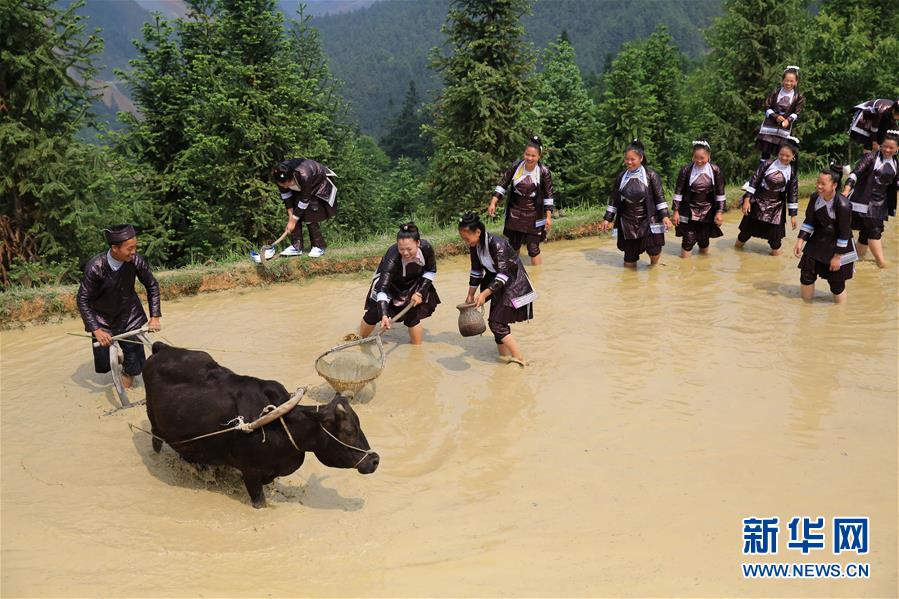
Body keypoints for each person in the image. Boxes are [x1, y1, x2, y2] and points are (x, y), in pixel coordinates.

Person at [76, 224, 161, 389]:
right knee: (104, 366)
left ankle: (128, 375)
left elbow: (152, 286)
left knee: (135, 365)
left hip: (130, 315)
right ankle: (121, 359)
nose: (134, 251)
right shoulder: (95, 267)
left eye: (135, 247)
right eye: (130, 248)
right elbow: (82, 299)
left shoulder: (136, 261)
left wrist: (155, 317)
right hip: (102, 319)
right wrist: (97, 329)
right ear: (115, 248)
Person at [459, 212, 536, 367]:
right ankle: (503, 357)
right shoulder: (475, 246)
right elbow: (476, 271)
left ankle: (519, 358)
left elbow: (504, 273)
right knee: (497, 322)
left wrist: (484, 293)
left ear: (478, 232)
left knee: (496, 323)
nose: (465, 242)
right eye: (463, 239)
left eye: (466, 238)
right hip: (497, 284)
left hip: (513, 283)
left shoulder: (497, 244)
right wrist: (470, 295)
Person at [358, 223, 440, 345]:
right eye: (401, 249)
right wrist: (384, 314)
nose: (405, 253)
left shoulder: (426, 249)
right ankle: (360, 341)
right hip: (388, 285)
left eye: (409, 249)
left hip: (413, 283)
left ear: (418, 243)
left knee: (413, 317)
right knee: (373, 314)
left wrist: (420, 292)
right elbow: (382, 289)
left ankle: (416, 350)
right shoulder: (392, 257)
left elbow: (430, 271)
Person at [599, 139, 673, 267]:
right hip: (628, 221)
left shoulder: (651, 175)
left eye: (632, 159)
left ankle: (653, 269)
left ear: (641, 158)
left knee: (654, 251)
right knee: (629, 260)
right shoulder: (621, 177)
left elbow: (659, 197)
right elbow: (614, 199)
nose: (629, 162)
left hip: (648, 219)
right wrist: (607, 219)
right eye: (627, 159)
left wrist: (665, 216)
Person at [794, 164, 857, 304]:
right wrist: (800, 240)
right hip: (818, 240)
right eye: (818, 182)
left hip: (839, 245)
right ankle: (805, 309)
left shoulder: (843, 205)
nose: (819, 186)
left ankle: (841, 315)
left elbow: (844, 233)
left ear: (834, 185)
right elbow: (809, 220)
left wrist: (837, 257)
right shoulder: (815, 197)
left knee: (836, 285)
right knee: (806, 275)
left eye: (823, 184)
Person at [487, 136, 555, 265]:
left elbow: (549, 195)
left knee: (533, 248)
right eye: (527, 154)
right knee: (513, 245)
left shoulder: (543, 171)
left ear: (539, 156)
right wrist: (493, 202)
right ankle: (514, 273)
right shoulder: (517, 166)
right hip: (515, 211)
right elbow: (503, 184)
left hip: (535, 214)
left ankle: (537, 276)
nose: (529, 158)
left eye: (533, 156)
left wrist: (548, 217)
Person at [842, 129, 898, 268]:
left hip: (881, 204)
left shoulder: (896, 163)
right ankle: (882, 264)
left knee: (865, 235)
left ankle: (855, 261)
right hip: (864, 201)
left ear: (897, 148)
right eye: (885, 146)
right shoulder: (871, 157)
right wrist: (846, 190)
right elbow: (855, 174)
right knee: (874, 232)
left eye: (891, 147)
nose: (887, 150)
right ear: (880, 145)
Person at [736, 136, 800, 255]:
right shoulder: (767, 164)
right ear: (778, 153)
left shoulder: (791, 173)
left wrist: (793, 216)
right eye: (781, 154)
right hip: (758, 203)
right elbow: (754, 180)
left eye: (787, 156)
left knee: (775, 243)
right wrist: (747, 200)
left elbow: (793, 194)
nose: (783, 158)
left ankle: (777, 268)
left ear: (793, 157)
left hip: (776, 209)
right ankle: (736, 252)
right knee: (744, 235)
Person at [271, 158, 338, 258]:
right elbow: (286, 196)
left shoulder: (304, 175)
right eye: (282, 185)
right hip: (299, 186)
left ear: (291, 178)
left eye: (286, 184)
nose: (284, 187)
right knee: (294, 211)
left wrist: (293, 221)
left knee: (309, 213)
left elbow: (305, 200)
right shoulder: (279, 175)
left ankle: (319, 246)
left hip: (317, 183)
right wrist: (291, 216)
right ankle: (296, 246)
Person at [672, 140, 726, 258]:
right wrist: (676, 211)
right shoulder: (686, 170)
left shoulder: (715, 170)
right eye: (696, 158)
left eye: (702, 158)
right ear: (692, 157)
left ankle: (703, 270)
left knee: (704, 240)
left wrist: (719, 212)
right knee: (688, 241)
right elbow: (678, 192)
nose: (699, 161)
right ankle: (685, 268)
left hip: (708, 210)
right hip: (689, 210)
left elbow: (720, 193)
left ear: (709, 156)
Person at [754, 66, 805, 163]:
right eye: (786, 80)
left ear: (796, 82)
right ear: (782, 80)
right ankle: (762, 174)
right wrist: (775, 116)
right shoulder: (775, 92)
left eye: (791, 81)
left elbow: (797, 112)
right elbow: (766, 106)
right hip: (769, 127)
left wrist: (788, 120)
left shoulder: (798, 96)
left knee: (781, 153)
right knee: (765, 153)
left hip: (784, 128)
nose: (788, 83)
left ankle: (777, 175)